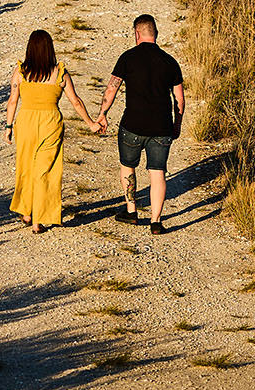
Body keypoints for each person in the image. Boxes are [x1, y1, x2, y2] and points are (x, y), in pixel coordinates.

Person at [5, 29, 101, 234]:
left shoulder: (21, 72)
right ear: (50, 49)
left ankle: (27, 212)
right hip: (50, 123)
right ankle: (39, 220)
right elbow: (75, 101)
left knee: (26, 166)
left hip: (26, 123)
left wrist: (8, 126)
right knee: (45, 171)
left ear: (30, 48)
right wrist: (91, 123)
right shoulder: (60, 73)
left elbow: (12, 101)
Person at [95, 14, 184, 234]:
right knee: (158, 173)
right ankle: (155, 221)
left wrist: (102, 114)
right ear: (156, 34)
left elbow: (111, 89)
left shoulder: (128, 57)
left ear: (137, 33)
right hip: (162, 127)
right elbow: (179, 99)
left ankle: (132, 211)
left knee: (128, 166)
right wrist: (177, 124)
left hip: (132, 125)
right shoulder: (170, 61)